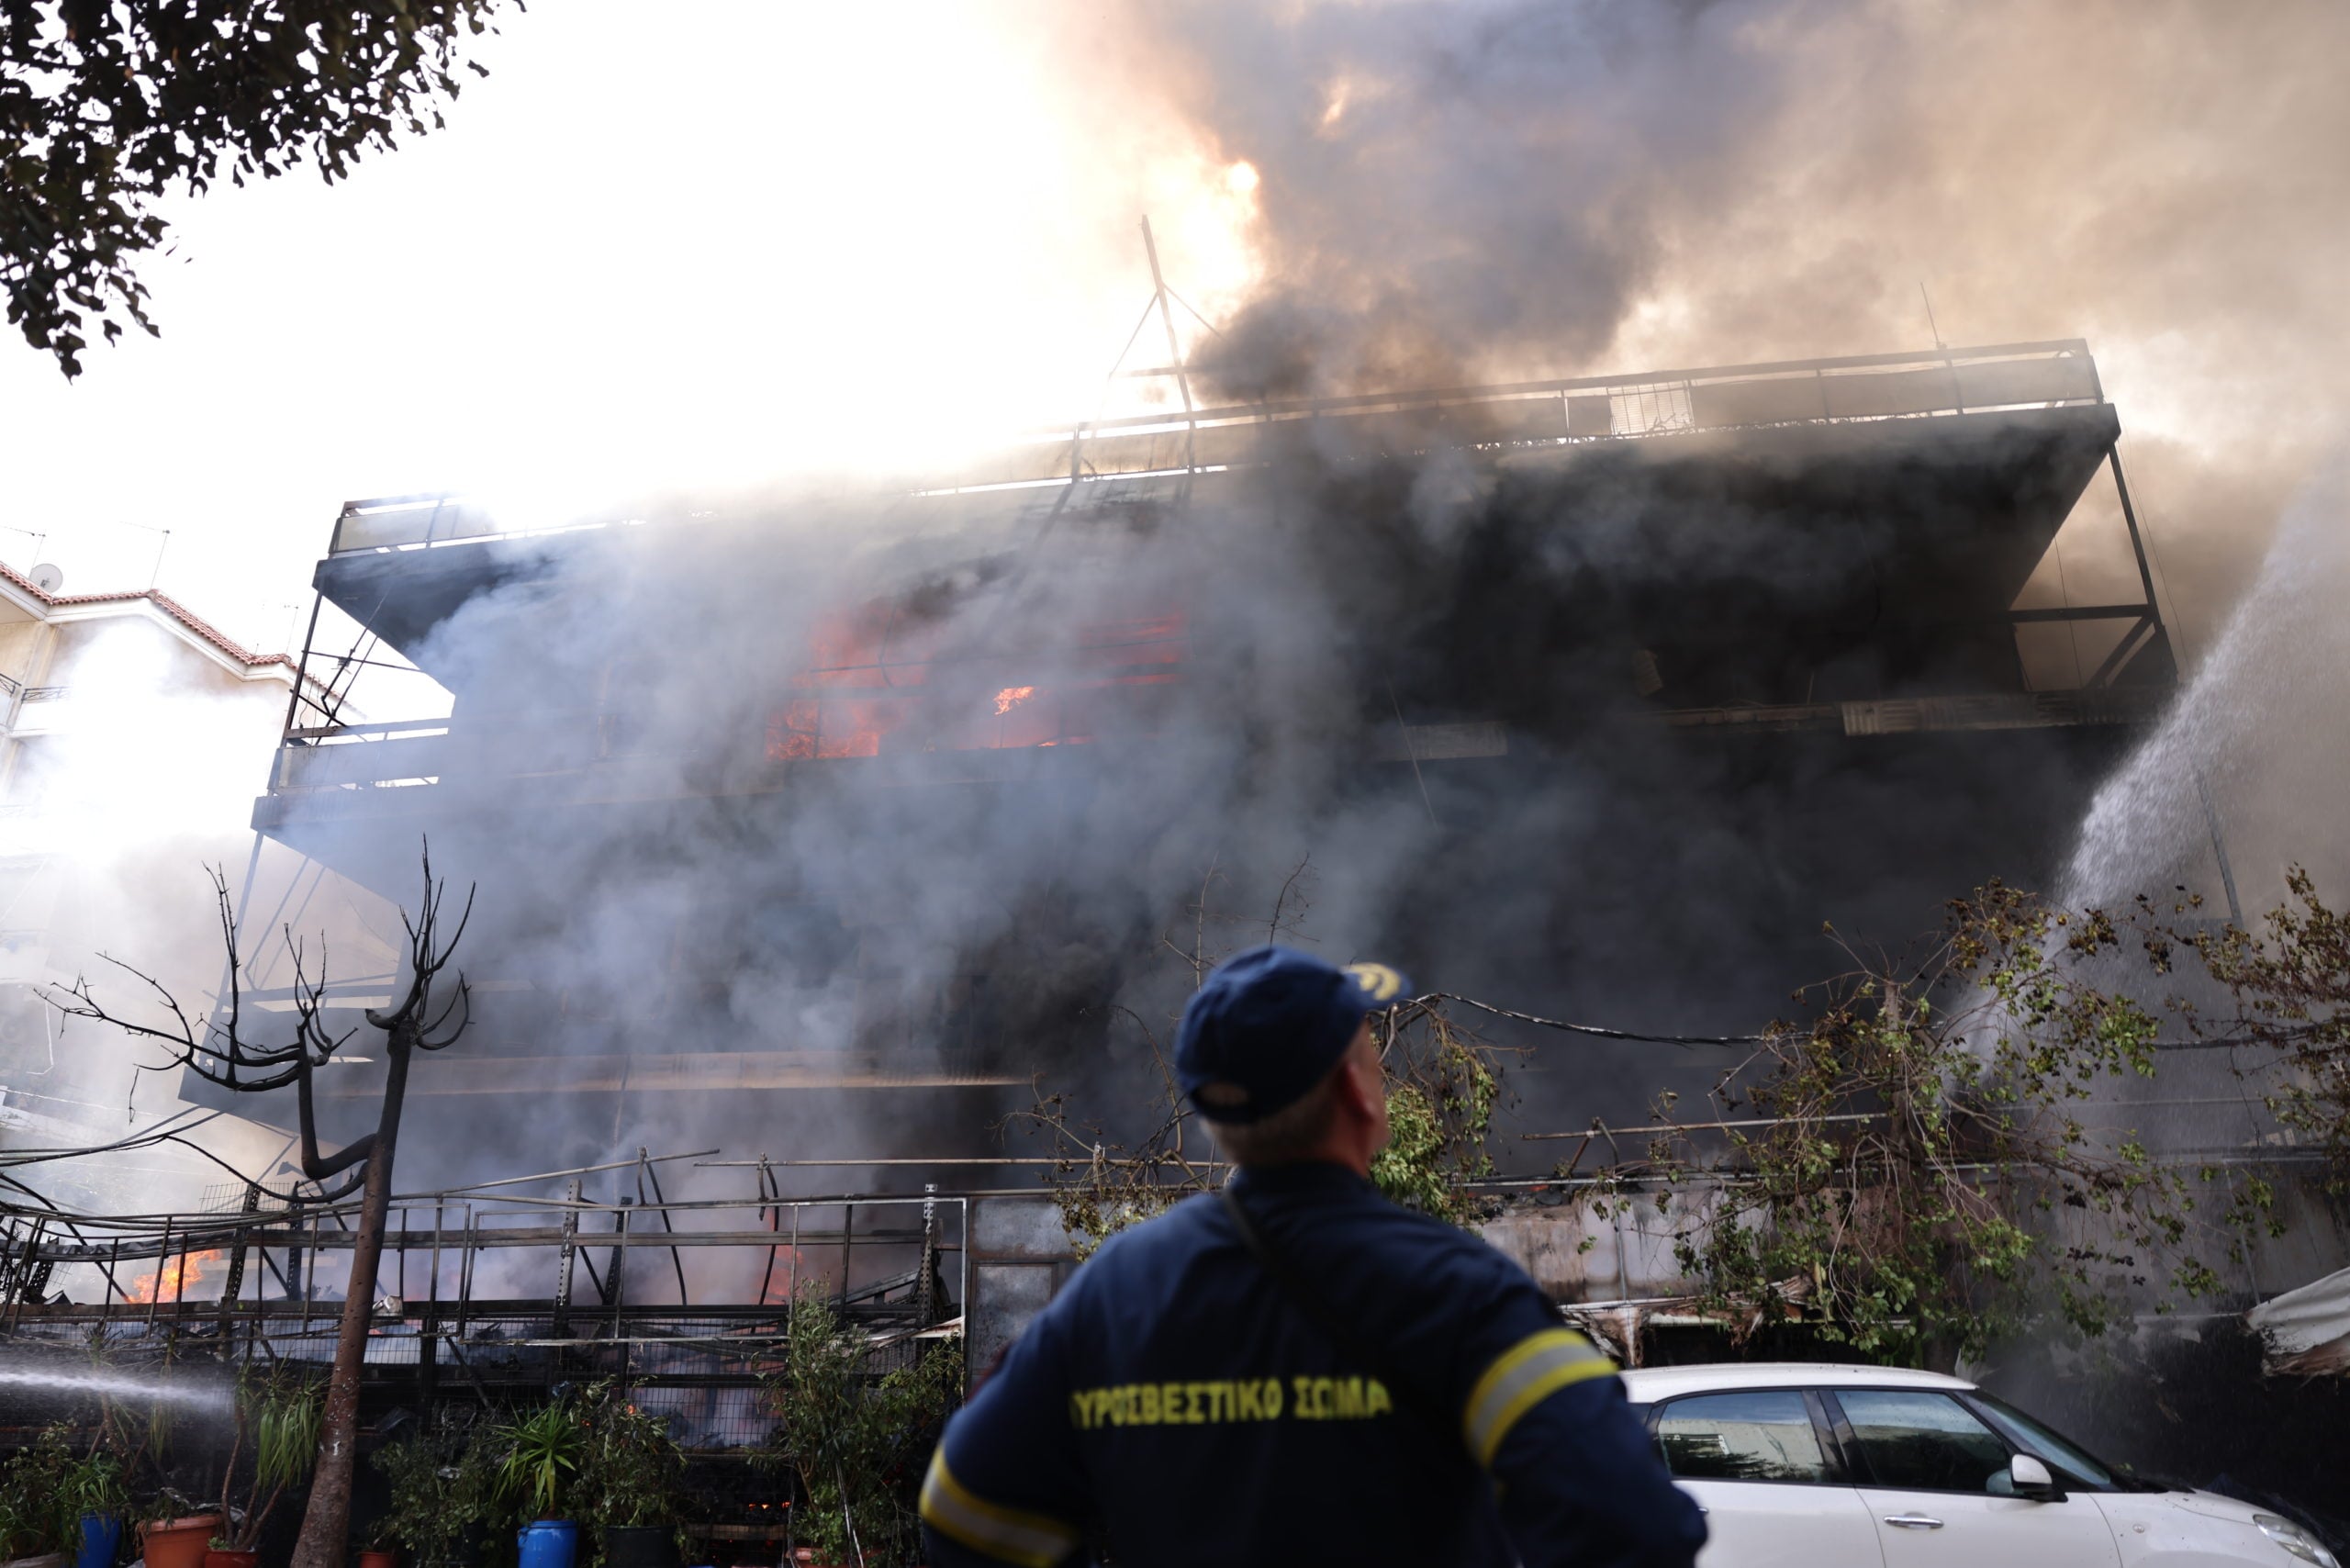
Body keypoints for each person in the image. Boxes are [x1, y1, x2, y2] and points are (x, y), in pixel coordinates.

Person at [919, 945, 1707, 1567]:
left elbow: (964, 1511)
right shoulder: (1457, 1292)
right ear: (1356, 1093)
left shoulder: (1111, 1298)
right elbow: (1636, 1525)